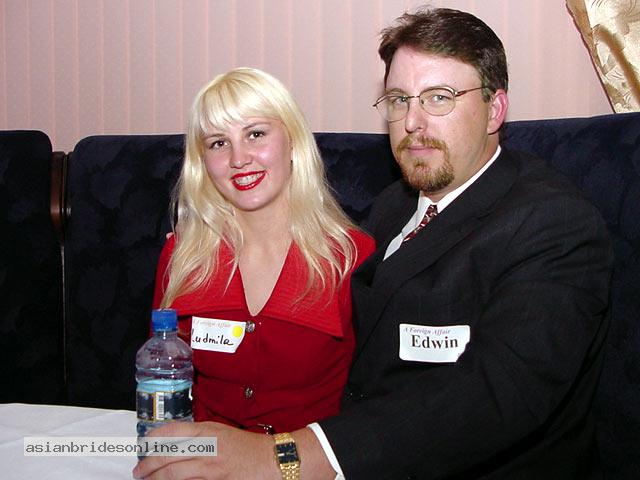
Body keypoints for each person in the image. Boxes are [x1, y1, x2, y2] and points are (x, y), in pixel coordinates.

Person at [134, 8, 613, 480]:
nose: (413, 121)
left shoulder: (553, 222)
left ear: (495, 109)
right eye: (399, 100)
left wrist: (288, 456)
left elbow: (497, 393)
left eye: (439, 97)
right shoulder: (392, 208)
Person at [150, 67, 375, 434]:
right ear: (202, 162)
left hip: (307, 460)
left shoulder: (351, 257)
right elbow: (161, 382)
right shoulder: (183, 256)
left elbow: (377, 402)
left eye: (255, 134)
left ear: (293, 143)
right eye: (218, 143)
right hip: (208, 457)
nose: (239, 158)